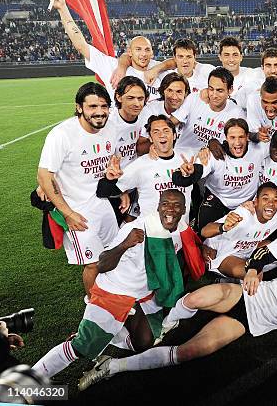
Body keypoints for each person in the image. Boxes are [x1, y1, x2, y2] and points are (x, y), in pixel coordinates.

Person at [77, 226, 277, 391]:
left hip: (246, 324)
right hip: (241, 297)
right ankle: (164, 326)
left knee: (190, 352)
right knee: (195, 299)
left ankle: (113, 368)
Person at [32, 190, 187, 381]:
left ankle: (112, 331)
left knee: (144, 343)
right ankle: (29, 379)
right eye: (165, 204)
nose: (170, 210)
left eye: (176, 206)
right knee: (82, 346)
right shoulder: (135, 228)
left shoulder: (181, 228)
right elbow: (102, 264)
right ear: (158, 206)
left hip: (142, 294)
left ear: (184, 209)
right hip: (114, 290)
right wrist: (125, 244)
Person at [37, 82, 123, 296]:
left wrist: (115, 178)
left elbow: (113, 159)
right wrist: (68, 213)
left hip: (102, 205)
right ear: (79, 107)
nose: (99, 112)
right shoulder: (62, 135)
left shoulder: (111, 127)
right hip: (77, 210)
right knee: (93, 264)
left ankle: (114, 300)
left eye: (104, 106)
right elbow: (44, 176)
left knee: (113, 256)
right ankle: (95, 310)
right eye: (92, 106)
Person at [50, 0, 163, 100]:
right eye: (138, 49)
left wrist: (159, 68)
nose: (143, 54)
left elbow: (177, 60)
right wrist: (62, 8)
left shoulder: (160, 70)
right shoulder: (111, 67)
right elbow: (80, 44)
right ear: (129, 52)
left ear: (152, 53)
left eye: (147, 50)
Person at [172, 118, 268, 233]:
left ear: (247, 137)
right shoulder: (214, 155)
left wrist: (258, 136)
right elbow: (182, 179)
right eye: (232, 138)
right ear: (226, 138)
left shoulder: (259, 149)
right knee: (203, 232)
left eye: (241, 137)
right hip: (218, 200)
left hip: (248, 202)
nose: (237, 143)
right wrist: (186, 173)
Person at [96, 115, 195, 221]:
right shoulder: (140, 165)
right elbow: (103, 192)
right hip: (152, 233)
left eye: (166, 131)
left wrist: (205, 151)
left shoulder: (189, 158)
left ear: (174, 135)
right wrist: (109, 179)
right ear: (151, 138)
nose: (162, 135)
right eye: (156, 132)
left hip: (181, 232)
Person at [201, 182, 277, 281]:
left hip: (248, 251)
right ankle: (227, 282)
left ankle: (235, 280)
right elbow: (204, 231)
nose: (271, 203)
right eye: (265, 199)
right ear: (256, 201)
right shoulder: (243, 214)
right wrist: (223, 227)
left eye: (275, 200)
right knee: (254, 274)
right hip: (223, 254)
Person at [171, 67, 244, 152]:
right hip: (181, 154)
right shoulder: (194, 98)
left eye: (219, 90)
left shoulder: (237, 113)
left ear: (230, 90)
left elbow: (240, 143)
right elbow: (172, 122)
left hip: (211, 161)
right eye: (211, 89)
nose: (214, 95)